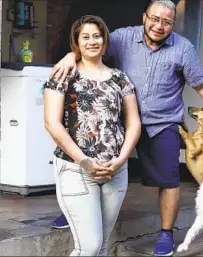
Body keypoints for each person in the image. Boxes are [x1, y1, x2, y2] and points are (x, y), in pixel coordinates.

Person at [50, 1, 203, 256]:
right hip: (122, 117)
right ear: (144, 17)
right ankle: (74, 210)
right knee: (92, 154)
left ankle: (165, 233)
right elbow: (92, 50)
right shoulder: (122, 38)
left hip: (162, 122)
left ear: (172, 25)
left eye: (166, 22)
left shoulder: (183, 48)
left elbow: (201, 84)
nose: (159, 26)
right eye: (154, 19)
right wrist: (71, 55)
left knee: (168, 179)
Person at [44, 15, 141, 256]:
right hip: (76, 169)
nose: (92, 41)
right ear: (76, 42)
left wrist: (121, 160)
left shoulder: (120, 78)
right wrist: (84, 161)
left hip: (115, 170)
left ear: (104, 39)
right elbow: (52, 123)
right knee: (88, 247)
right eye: (85, 37)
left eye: (96, 36)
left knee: (103, 247)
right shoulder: (62, 74)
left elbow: (133, 122)